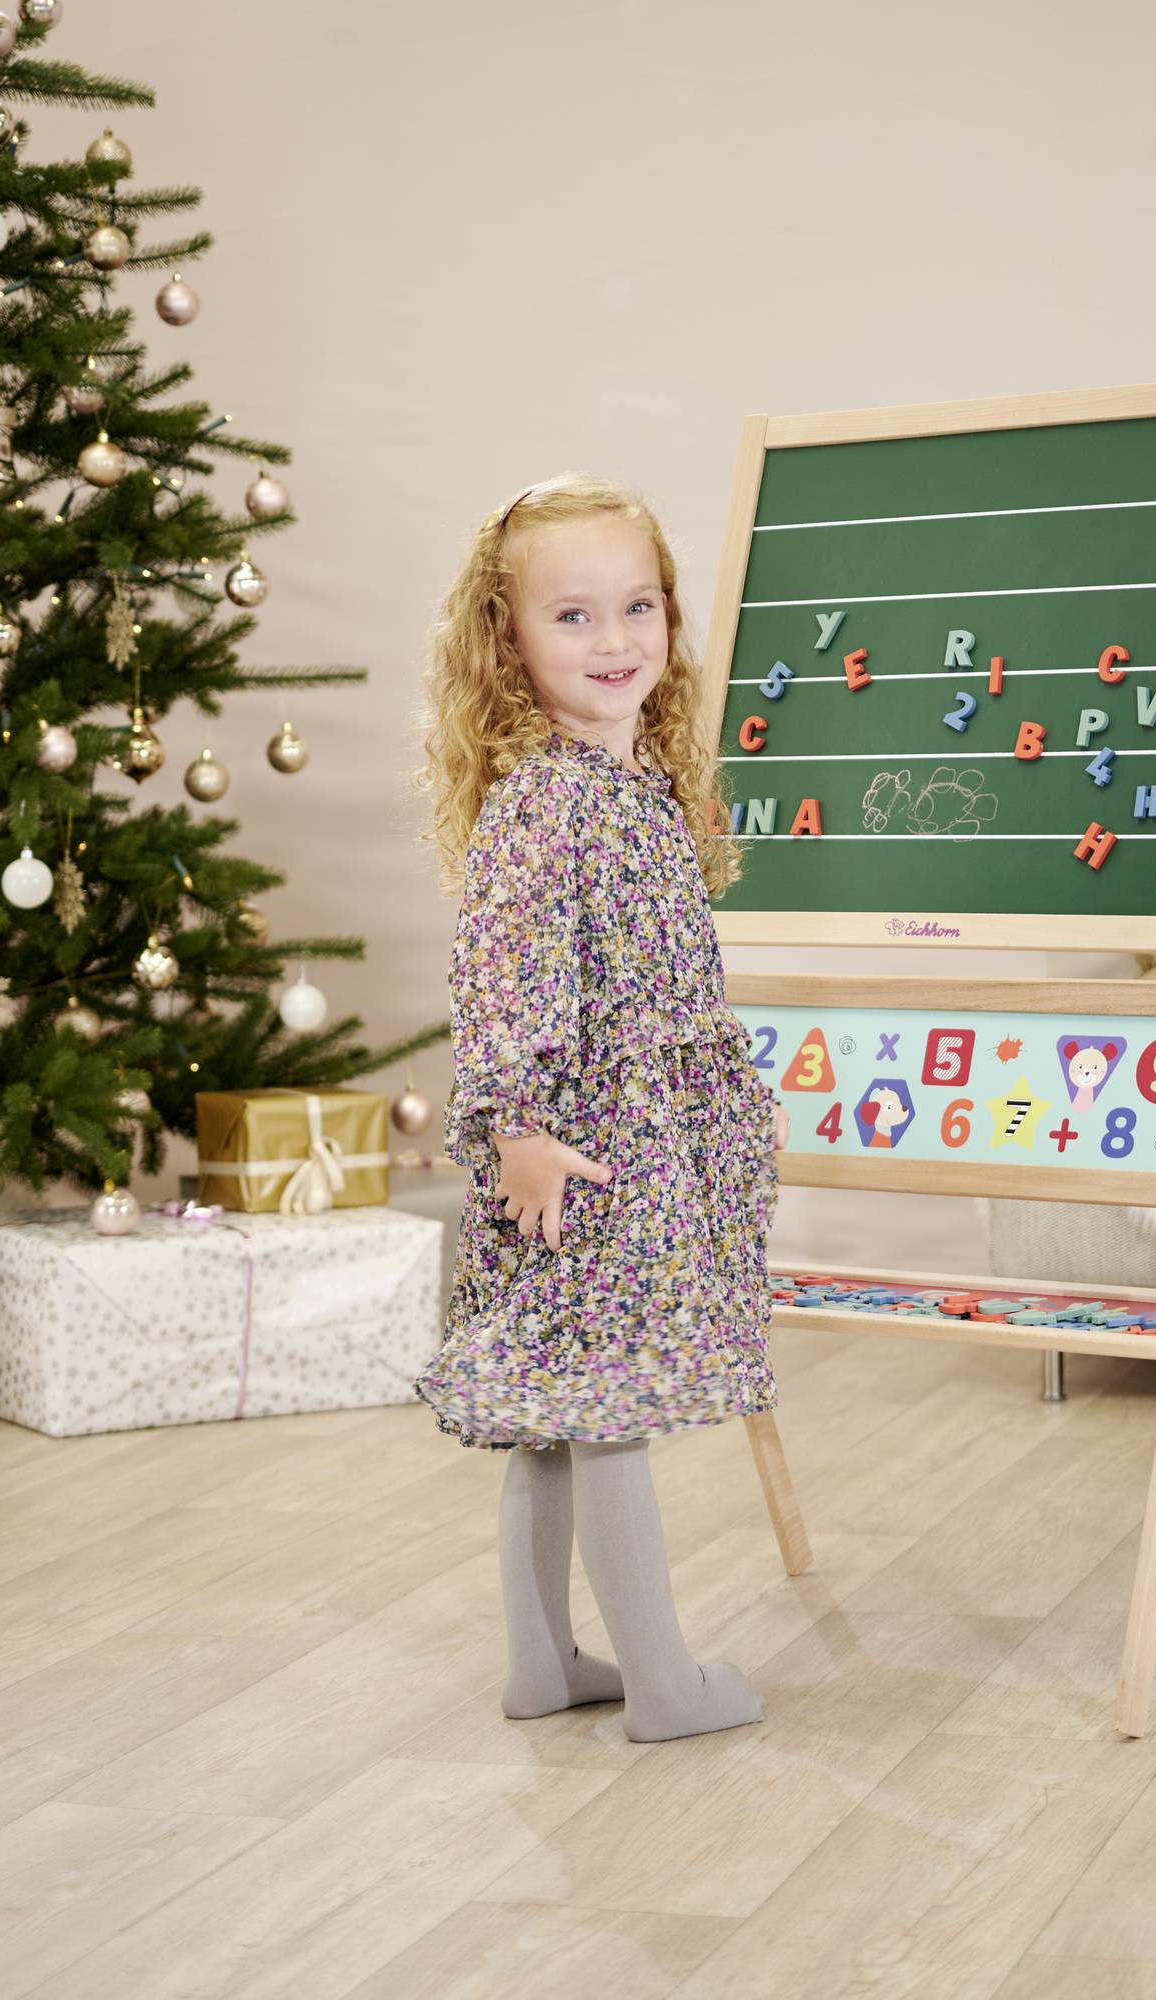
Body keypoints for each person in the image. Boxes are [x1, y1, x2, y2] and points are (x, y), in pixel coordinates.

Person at [412, 473, 781, 1744]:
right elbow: (502, 975)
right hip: (588, 1153)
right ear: (506, 642)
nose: (615, 640)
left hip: (616, 1141)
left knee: (559, 1416)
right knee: (609, 1412)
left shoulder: (630, 789)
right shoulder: (550, 801)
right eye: (573, 617)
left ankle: (544, 1662)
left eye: (638, 607)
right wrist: (517, 1126)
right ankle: (665, 1684)